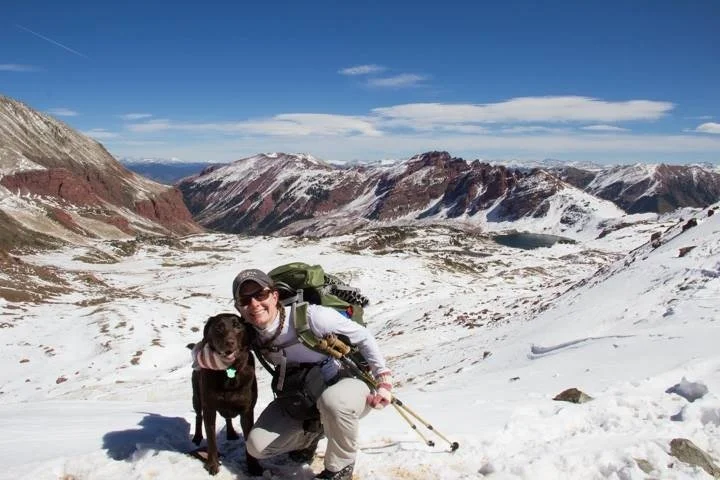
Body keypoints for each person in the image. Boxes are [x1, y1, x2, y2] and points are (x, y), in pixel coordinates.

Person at [195, 268, 393, 480]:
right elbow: (205, 352)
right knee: (256, 446)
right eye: (245, 300)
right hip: (304, 396)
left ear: (274, 295)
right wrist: (202, 356)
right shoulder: (250, 334)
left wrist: (384, 380)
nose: (254, 304)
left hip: (346, 385)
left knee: (333, 402)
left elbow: (363, 337)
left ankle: (340, 467)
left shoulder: (310, 316)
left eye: (260, 295)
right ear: (239, 307)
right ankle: (311, 436)